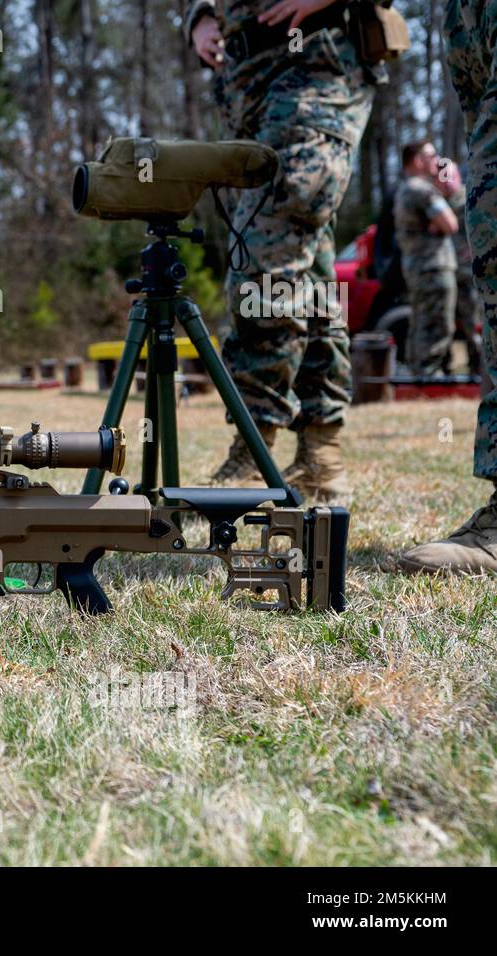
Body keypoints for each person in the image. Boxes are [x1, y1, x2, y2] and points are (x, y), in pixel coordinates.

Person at [187, 0, 376, 505]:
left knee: (265, 252)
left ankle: (255, 455)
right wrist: (200, 18)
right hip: (252, 87)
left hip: (313, 69)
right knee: (305, 265)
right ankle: (321, 456)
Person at [399, 0, 497, 574]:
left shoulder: (415, 190)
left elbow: (454, 219)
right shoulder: (415, 190)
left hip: (436, 270)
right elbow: (452, 218)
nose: (437, 163)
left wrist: (461, 189)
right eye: (430, 159)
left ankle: (430, 379)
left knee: (440, 329)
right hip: (433, 271)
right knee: (437, 331)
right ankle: (429, 381)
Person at [393, 140, 459, 378]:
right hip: (433, 266)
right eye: (431, 156)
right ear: (419, 160)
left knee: (421, 322)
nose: (436, 160)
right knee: (437, 325)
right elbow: (450, 223)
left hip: (418, 267)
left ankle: (419, 373)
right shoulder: (422, 190)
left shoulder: (404, 188)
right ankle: (429, 376)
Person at [437, 159, 485, 376]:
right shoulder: (436, 201)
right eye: (441, 176)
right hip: (445, 273)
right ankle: (443, 370)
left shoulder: (470, 197)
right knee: (443, 325)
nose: (446, 181)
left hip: (468, 275)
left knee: (472, 325)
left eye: (449, 175)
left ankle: (478, 370)